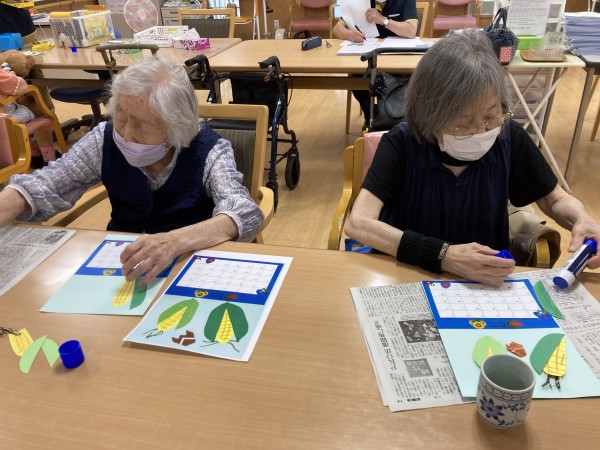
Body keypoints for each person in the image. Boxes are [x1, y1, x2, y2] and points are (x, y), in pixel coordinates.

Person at [344, 30, 600, 287]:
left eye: (491, 116)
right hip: (407, 276)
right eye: (463, 123)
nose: (480, 131)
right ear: (428, 115)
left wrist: (582, 219)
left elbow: (554, 198)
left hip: (484, 283)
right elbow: (359, 223)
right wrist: (443, 256)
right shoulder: (402, 143)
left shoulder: (508, 138)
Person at [0, 56, 264, 285]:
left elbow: (243, 211)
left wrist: (174, 241)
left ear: (176, 127)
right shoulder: (103, 140)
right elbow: (46, 184)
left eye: (141, 125)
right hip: (122, 262)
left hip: (189, 262)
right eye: (121, 118)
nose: (126, 134)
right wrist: (8, 203)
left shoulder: (210, 150)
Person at [333, 0, 418, 127]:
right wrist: (350, 34)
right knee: (356, 75)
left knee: (408, 79)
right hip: (370, 57)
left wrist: (383, 20)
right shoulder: (360, 2)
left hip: (399, 58)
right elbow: (337, 29)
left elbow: (411, 31)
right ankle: (372, 117)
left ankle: (394, 116)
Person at [0, 68, 57, 167]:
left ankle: (34, 155)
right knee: (40, 112)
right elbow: (22, 86)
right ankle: (49, 159)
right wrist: (12, 75)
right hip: (7, 121)